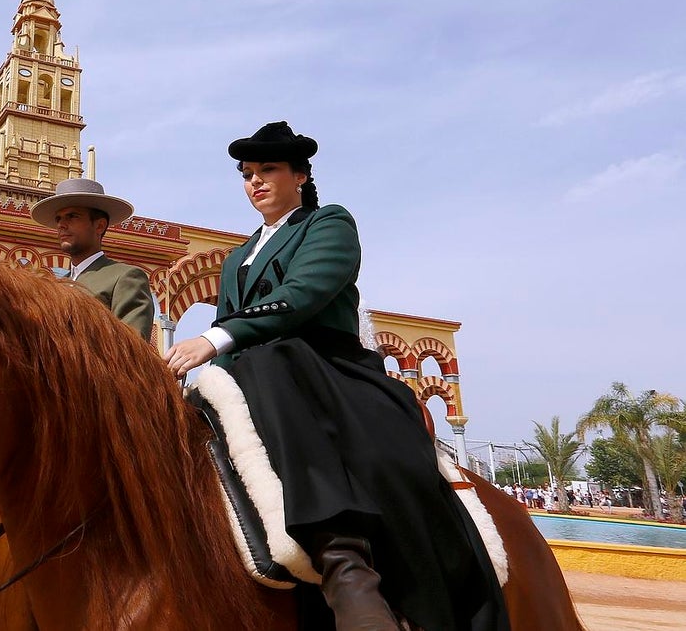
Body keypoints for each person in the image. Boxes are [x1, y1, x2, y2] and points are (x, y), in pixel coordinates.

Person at [164, 122, 506, 630]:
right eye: (247, 173)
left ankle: (346, 565)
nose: (255, 181)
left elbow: (304, 293)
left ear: (300, 175)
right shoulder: (237, 259)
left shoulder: (328, 223)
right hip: (257, 374)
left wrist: (215, 339)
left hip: (323, 364)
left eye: (268, 169)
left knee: (269, 361)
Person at [31, 177, 156, 340]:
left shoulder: (124, 277)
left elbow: (132, 347)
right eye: (58, 219)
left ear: (99, 226)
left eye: (72, 216)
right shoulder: (54, 286)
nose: (61, 225)